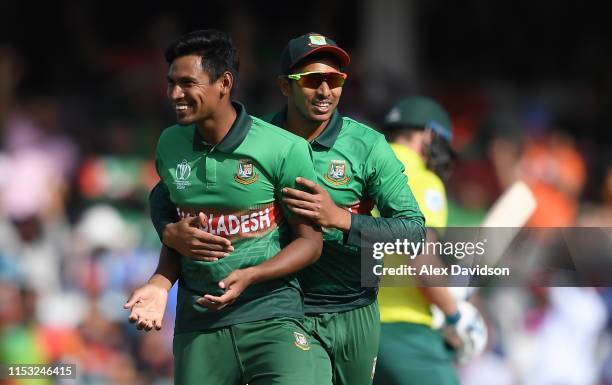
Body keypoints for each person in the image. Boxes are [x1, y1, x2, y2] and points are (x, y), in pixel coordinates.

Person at [150, 33, 426, 385]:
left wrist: (341, 219)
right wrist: (167, 231)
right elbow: (166, 194)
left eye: (335, 80)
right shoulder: (260, 139)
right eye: (312, 81)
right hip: (283, 310)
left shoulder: (368, 146)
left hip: (354, 306)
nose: (325, 91)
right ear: (285, 87)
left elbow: (414, 234)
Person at [124, 29, 324, 385]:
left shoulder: (283, 149)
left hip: (271, 314)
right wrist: (159, 284)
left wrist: (252, 275)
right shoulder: (170, 143)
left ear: (224, 83)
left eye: (187, 83)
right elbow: (178, 230)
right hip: (199, 323)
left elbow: (310, 243)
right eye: (171, 83)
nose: (174, 94)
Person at [373, 96, 463, 385]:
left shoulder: (363, 169)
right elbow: (422, 260)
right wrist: (455, 316)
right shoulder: (423, 180)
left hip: (352, 328)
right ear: (429, 134)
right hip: (404, 330)